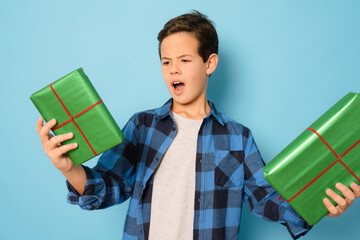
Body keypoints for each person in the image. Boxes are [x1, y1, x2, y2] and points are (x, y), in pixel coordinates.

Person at [36, 10, 360, 240]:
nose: (173, 70)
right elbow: (107, 188)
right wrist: (68, 168)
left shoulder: (238, 138)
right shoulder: (142, 126)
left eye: (185, 60)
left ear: (210, 63)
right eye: (166, 62)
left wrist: (320, 204)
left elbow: (266, 199)